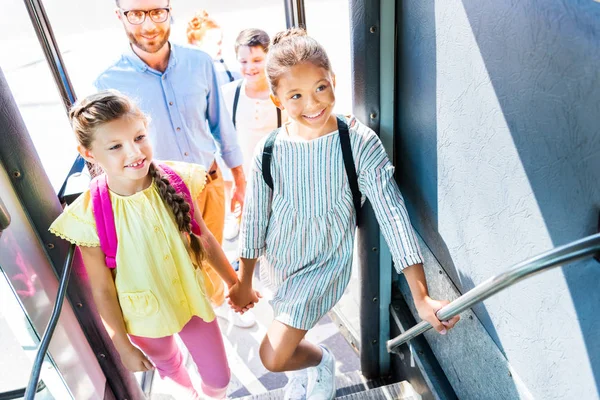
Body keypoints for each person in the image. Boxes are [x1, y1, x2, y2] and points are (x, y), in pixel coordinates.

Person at [228, 28, 461, 400]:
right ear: (277, 99)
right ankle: (302, 368)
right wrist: (244, 280)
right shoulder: (269, 149)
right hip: (280, 262)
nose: (312, 103)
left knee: (272, 356)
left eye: (321, 87)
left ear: (333, 79)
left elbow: (394, 216)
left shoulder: (358, 143)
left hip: (324, 265)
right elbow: (256, 220)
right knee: (286, 334)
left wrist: (421, 296)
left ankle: (318, 362)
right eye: (296, 96)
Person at [49, 91, 256, 399]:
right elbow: (103, 290)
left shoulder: (177, 179)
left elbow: (204, 237)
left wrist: (235, 283)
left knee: (219, 378)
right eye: (116, 146)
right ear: (89, 153)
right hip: (143, 317)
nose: (134, 153)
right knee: (172, 371)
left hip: (191, 302)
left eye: (139, 137)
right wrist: (122, 345)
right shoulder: (89, 214)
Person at [95, 0, 251, 328]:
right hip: (157, 194)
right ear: (119, 15)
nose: (149, 25)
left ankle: (218, 304)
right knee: (180, 265)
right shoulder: (108, 83)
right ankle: (201, 321)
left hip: (208, 183)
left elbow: (220, 125)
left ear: (169, 9)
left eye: (156, 12)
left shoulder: (200, 63)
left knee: (214, 250)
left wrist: (239, 179)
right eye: (136, 14)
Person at [221, 28, 286, 241]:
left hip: (275, 175)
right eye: (243, 62)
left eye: (257, 60)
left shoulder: (280, 92)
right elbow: (223, 140)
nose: (250, 68)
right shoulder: (229, 94)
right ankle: (237, 219)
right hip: (243, 175)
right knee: (248, 233)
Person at [186, 10, 241, 87]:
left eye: (221, 42)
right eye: (218, 43)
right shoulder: (186, 74)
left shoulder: (229, 70)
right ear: (197, 42)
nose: (221, 47)